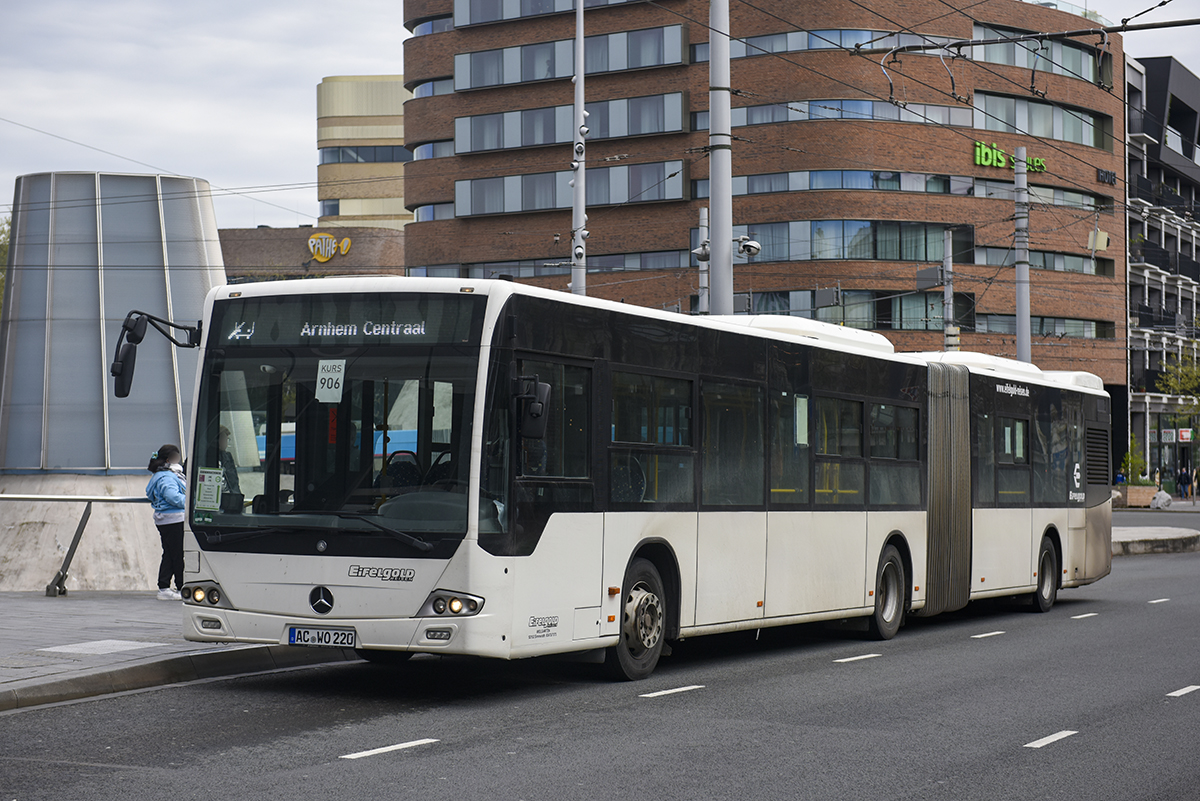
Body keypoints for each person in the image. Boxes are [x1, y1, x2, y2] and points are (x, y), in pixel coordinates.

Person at [146, 444, 186, 601]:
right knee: (177, 555)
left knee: (170, 553)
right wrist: (191, 503)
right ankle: (181, 587)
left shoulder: (160, 475)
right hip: (174, 519)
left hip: (167, 520)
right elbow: (173, 497)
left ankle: (164, 587)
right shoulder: (167, 477)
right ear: (170, 459)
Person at [217, 425, 240, 495]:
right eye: (223, 439)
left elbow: (234, 482)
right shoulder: (203, 458)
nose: (225, 443)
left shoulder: (228, 457)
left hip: (231, 498)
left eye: (227, 439)